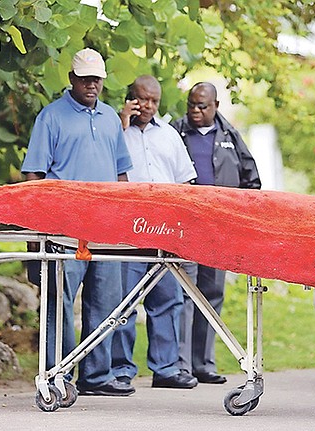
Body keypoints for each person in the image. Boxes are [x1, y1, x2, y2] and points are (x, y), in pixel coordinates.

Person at [21, 48, 134, 397]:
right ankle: (59, 374)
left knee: (106, 301)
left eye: (96, 78)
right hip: (63, 226)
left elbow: (121, 174)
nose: (91, 84)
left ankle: (97, 376)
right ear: (71, 78)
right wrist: (33, 228)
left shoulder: (111, 117)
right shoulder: (51, 117)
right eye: (84, 78)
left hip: (106, 226)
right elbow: (33, 175)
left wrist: (124, 221)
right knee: (60, 301)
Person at [111, 75, 199, 389]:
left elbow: (186, 181)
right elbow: (107, 168)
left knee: (168, 300)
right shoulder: (116, 130)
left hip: (165, 228)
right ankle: (121, 369)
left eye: (153, 101)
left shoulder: (170, 135)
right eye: (141, 99)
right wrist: (122, 122)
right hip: (129, 228)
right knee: (123, 303)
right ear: (130, 98)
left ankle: (166, 369)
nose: (147, 106)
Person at [172, 82, 261, 384]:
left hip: (219, 228)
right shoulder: (176, 131)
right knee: (185, 293)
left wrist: (242, 219)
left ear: (216, 106)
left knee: (212, 294)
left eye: (203, 106)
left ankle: (203, 363)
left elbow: (252, 179)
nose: (196, 111)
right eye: (192, 105)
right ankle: (181, 366)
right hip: (185, 226)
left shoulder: (230, 135)